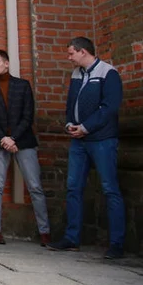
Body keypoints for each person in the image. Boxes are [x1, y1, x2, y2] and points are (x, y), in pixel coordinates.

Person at [48, 36, 125, 259]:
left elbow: (109, 107)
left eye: (71, 53)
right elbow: (71, 102)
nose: (69, 57)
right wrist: (70, 123)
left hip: (102, 140)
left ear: (83, 52)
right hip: (78, 141)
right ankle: (72, 239)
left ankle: (116, 244)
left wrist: (86, 127)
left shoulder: (108, 73)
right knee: (73, 188)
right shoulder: (76, 74)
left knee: (110, 189)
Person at [0, 49, 51, 246]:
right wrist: (4, 138)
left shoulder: (22, 86)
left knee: (35, 186)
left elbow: (28, 115)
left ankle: (45, 232)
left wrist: (13, 138)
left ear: (6, 63)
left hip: (24, 141)